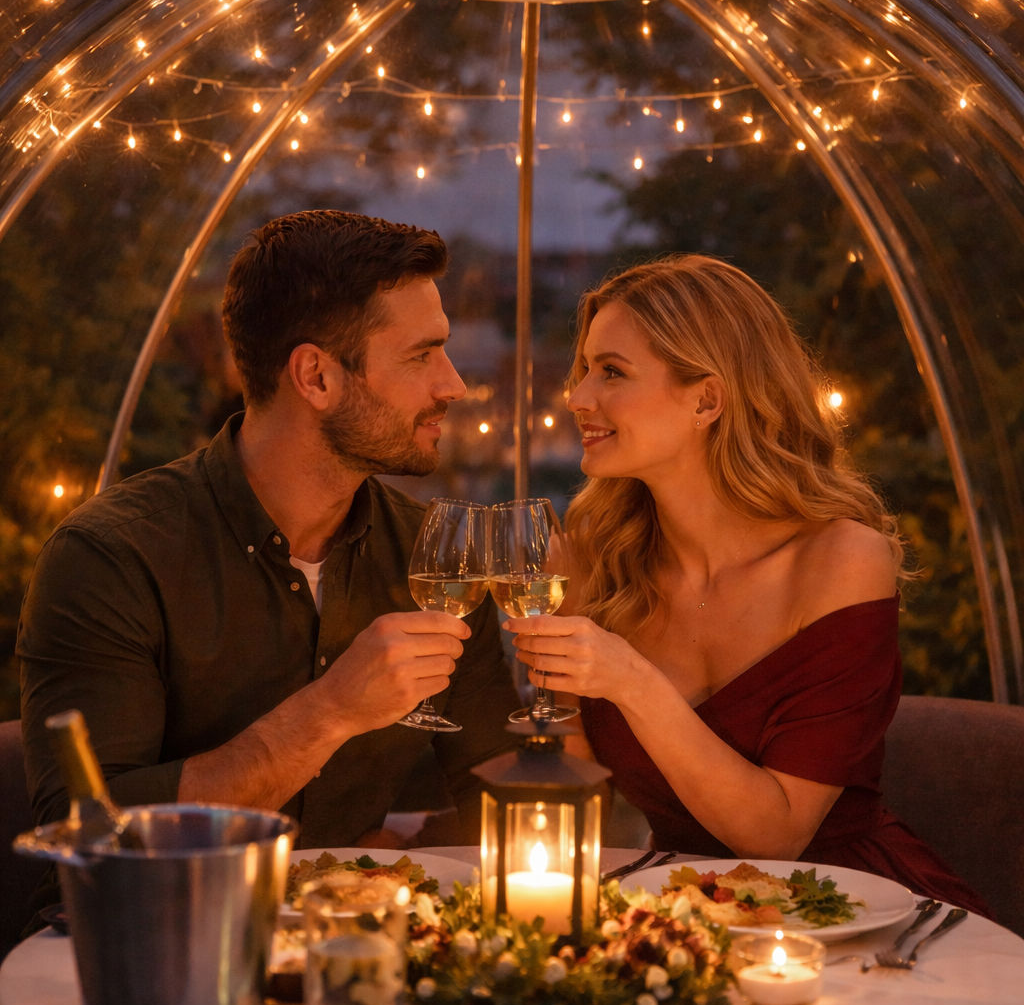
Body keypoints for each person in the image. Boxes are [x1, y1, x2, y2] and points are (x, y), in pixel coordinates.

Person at [503, 254, 989, 915]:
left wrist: (629, 680)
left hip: (850, 914)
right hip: (681, 916)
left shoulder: (840, 560)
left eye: (611, 372)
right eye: (585, 368)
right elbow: (573, 783)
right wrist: (544, 706)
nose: (579, 396)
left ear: (707, 399)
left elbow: (776, 835)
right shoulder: (589, 562)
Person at [18, 209, 519, 849]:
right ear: (316, 377)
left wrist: (405, 861)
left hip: (351, 939)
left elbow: (500, 791)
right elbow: (85, 833)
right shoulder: (113, 557)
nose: (453, 384)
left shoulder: (436, 559)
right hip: (149, 938)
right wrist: (329, 712)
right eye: (422, 355)